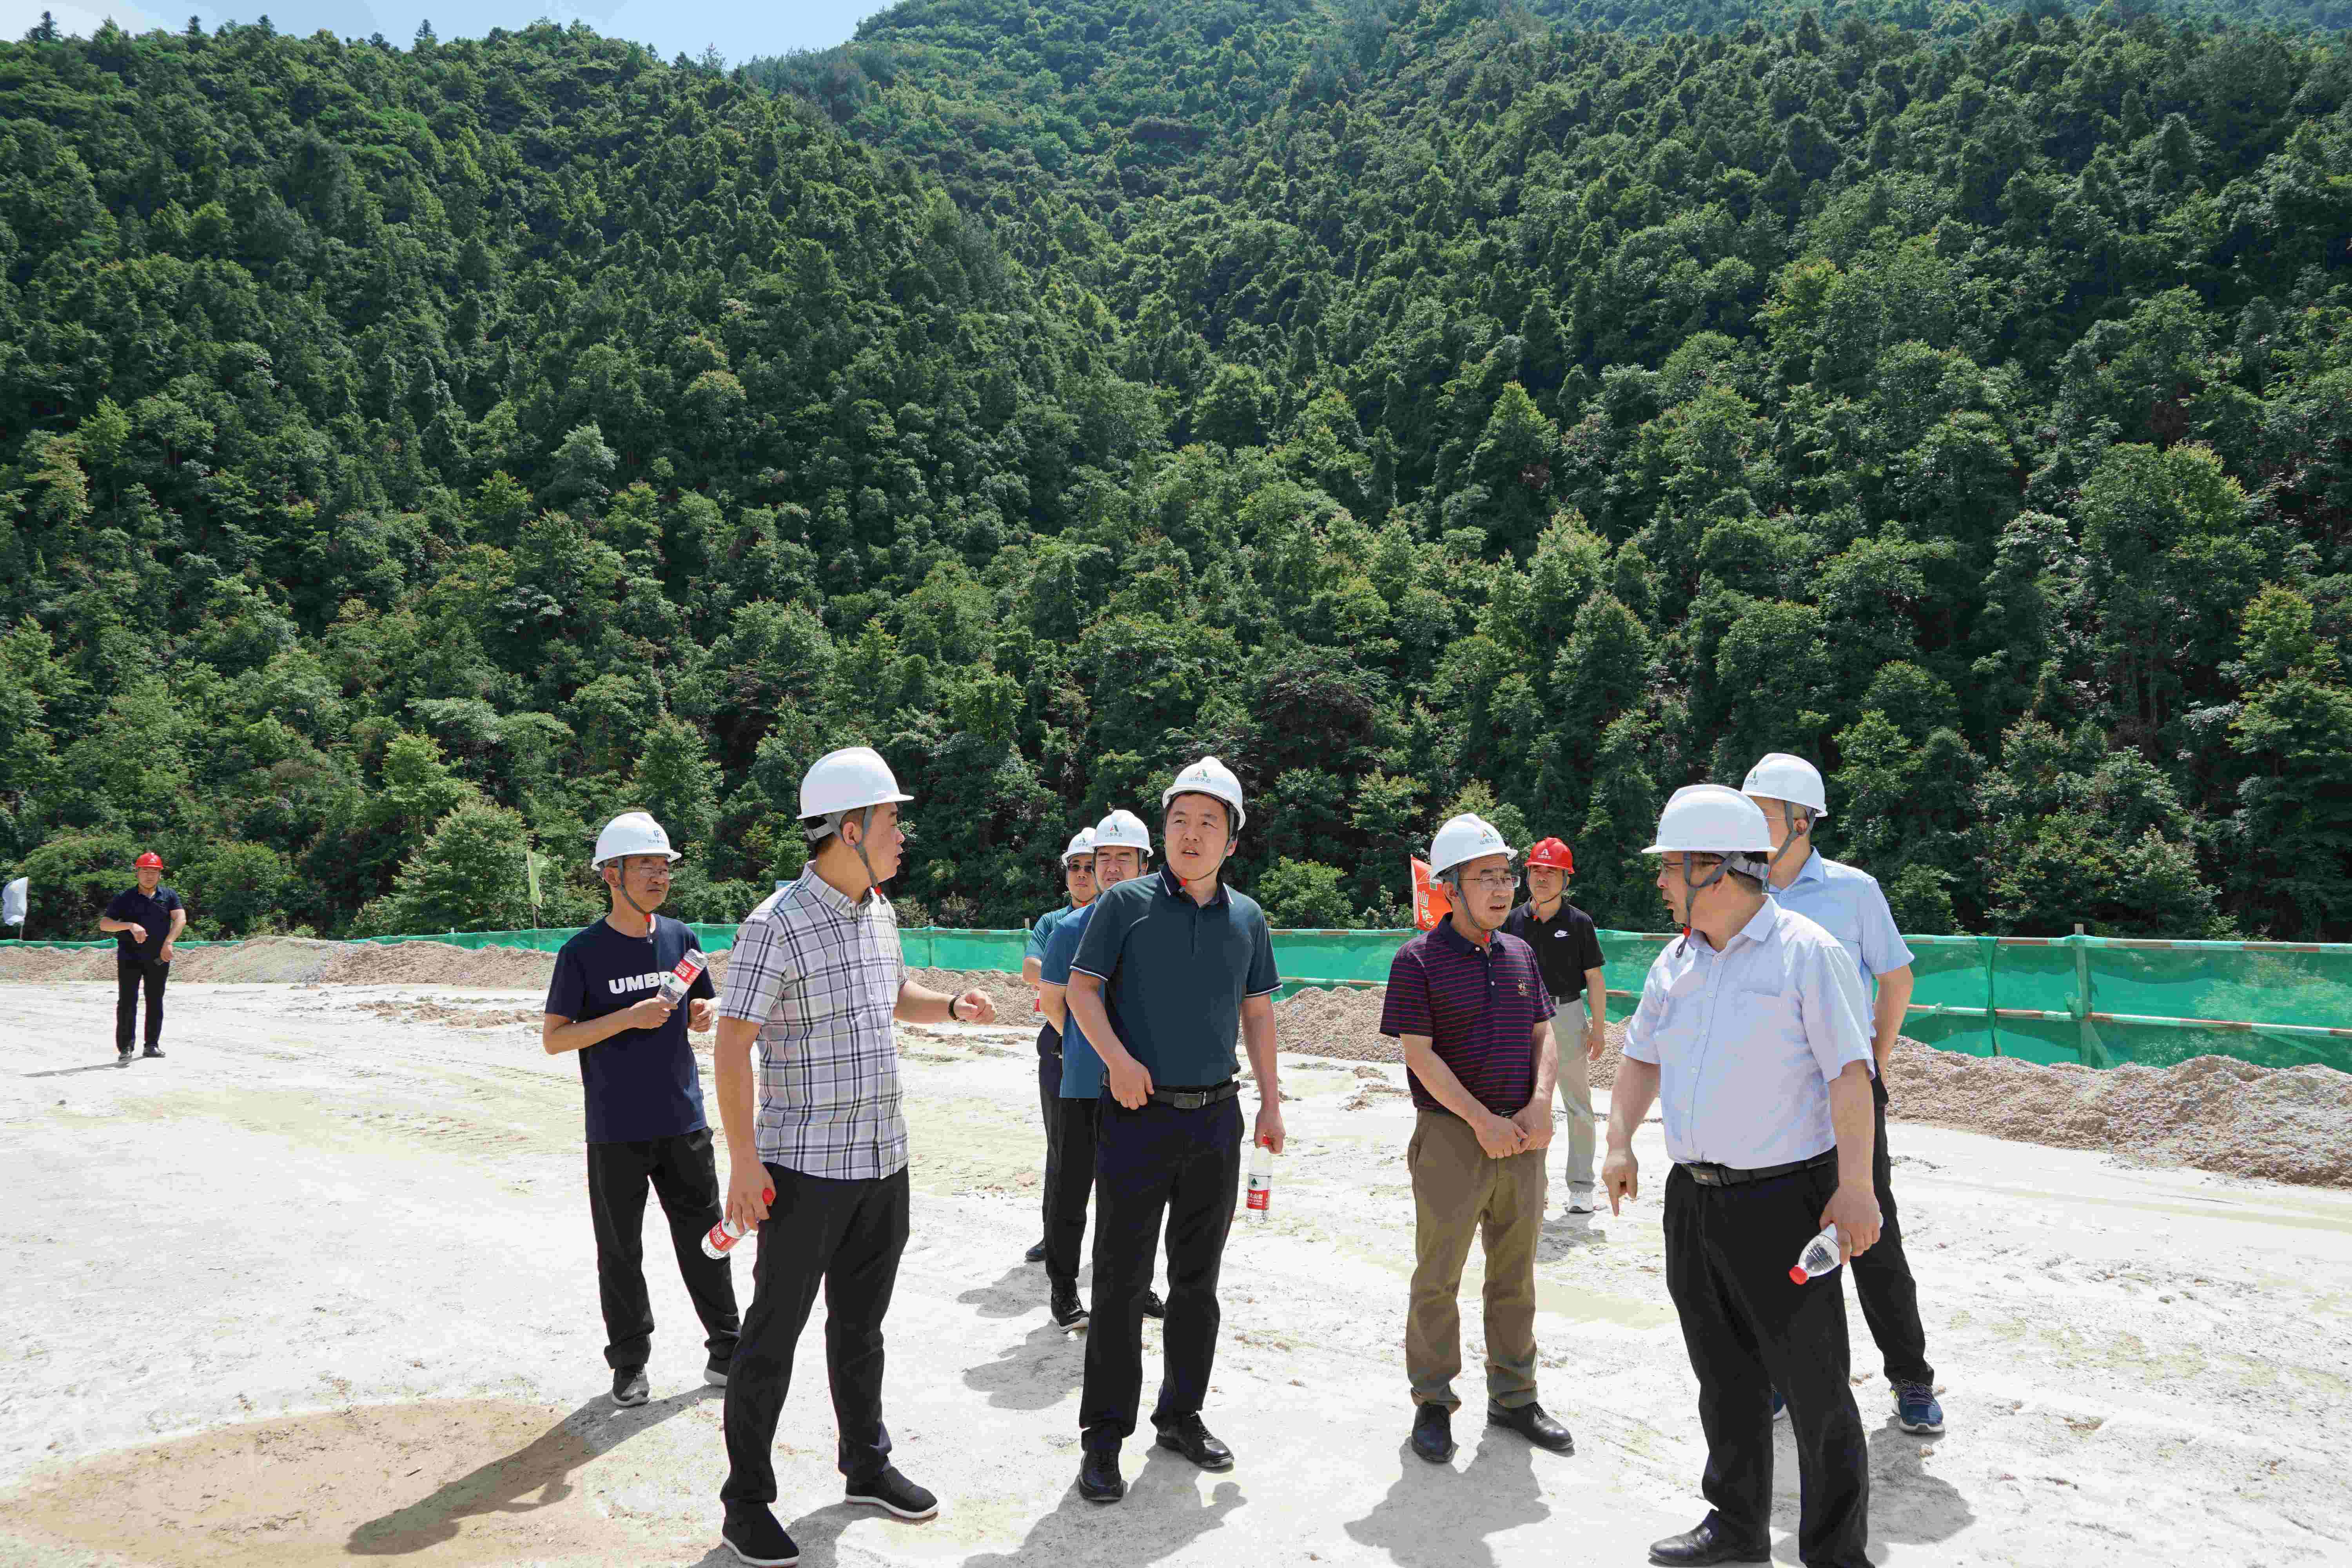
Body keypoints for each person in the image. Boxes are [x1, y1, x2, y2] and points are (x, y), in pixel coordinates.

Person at [710, 746, 998, 1568]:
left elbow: (893, 995)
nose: (902, 834)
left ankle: (865, 1464)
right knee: (772, 1335)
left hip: (882, 1158)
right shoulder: (773, 924)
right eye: (891, 819)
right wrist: (744, 1161)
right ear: (849, 829)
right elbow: (732, 1046)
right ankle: (746, 1503)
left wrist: (950, 1005)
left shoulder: (879, 912)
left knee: (862, 1327)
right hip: (804, 1169)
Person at [1601, 784, 1880, 1568]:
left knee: (1815, 1387)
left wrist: (1856, 1186)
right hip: (1693, 1200)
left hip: (1785, 1202)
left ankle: (1836, 1553)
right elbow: (1640, 1059)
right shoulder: (1676, 962)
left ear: (1716, 870)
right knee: (1723, 1375)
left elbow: (1850, 1075)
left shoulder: (1807, 954)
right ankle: (1736, 1525)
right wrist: (1619, 1143)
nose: (1661, 881)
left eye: (1671, 867)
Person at [1064, 756, 1283, 1504]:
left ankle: (1180, 1415)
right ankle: (1103, 1436)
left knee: (1198, 1282)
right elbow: (1082, 991)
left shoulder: (1248, 918)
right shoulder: (1124, 904)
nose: (1192, 835)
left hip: (1217, 1119)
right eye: (1181, 821)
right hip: (1136, 1116)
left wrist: (1272, 1103)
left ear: (1232, 840)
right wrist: (1118, 1061)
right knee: (1121, 1281)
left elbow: (1258, 1012)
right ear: (1165, 831)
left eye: (1208, 823)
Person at [1740, 752, 1942, 1438]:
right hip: (1771, 1094)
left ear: (1803, 821)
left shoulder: (1854, 892)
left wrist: (1873, 1060)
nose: (1753, 828)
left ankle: (1911, 1378)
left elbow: (1897, 977)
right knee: (1780, 1236)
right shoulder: (1738, 891)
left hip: (1845, 1092)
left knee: (1869, 1231)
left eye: (1765, 815)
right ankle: (1781, 1377)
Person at [1380, 813, 1576, 1466]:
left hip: (1522, 1135)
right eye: (1484, 877)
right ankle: (1433, 1402)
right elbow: (1419, 1055)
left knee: (1515, 1275)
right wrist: (1479, 1121)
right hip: (1451, 1139)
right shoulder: (1417, 961)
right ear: (1450, 888)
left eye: (1505, 876)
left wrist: (1541, 1102)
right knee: (1438, 1277)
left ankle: (1515, 1397)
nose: (1501, 889)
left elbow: (1545, 1034)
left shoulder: (1521, 953)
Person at [541, 810, 736, 1410]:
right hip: (615, 1128)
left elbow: (704, 1008)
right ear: (611, 875)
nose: (659, 876)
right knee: (620, 1251)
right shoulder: (581, 954)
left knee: (707, 1240)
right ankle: (629, 1365)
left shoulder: (683, 939)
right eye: (646, 865)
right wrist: (628, 1017)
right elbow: (555, 1038)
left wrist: (705, 1013)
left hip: (683, 1119)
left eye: (664, 866)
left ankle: (728, 1349)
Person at [1036, 809, 1166, 1330]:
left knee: (1139, 1196)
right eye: (1103, 858)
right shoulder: (1070, 929)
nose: (1111, 868)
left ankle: (1137, 1284)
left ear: (1144, 865)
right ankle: (1064, 1289)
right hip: (1085, 1085)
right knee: (1071, 1192)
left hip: (1147, 1087)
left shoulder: (1162, 926)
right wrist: (1090, 1047)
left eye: (1123, 858)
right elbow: (1053, 1003)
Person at [1501, 836, 1609, 1215]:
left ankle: (1581, 1187)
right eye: (1537, 871)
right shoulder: (1511, 920)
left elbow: (1594, 978)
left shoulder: (1579, 923)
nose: (1543, 878)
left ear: (1566, 879)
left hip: (1566, 1015)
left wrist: (1598, 1028)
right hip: (1520, 1018)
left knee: (1577, 1105)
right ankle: (1535, 1185)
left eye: (1552, 872)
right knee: (1525, 1101)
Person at [1020, 828, 1098, 1265]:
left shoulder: (1119, 917)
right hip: (1060, 1038)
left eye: (1090, 866)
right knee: (1062, 1147)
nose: (1082, 874)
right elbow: (1032, 970)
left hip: (1116, 1043)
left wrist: (1062, 974)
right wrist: (1084, 979)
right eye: (1075, 867)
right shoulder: (1052, 923)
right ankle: (1055, 1238)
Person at [98, 851, 183, 1066]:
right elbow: (105, 924)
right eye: (145, 871)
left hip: (159, 957)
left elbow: (180, 918)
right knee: (127, 1000)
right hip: (130, 956)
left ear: (160, 874)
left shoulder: (169, 895)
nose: (149, 875)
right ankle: (126, 1048)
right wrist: (129, 925)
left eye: (154, 871)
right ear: (137, 872)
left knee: (155, 999)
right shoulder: (125, 897)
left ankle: (151, 1045)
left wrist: (169, 942)